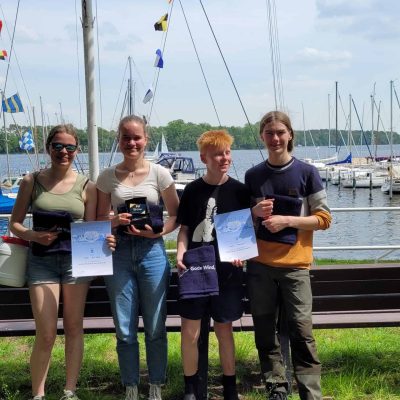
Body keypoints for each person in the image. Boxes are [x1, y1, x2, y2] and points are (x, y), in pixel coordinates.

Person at [244, 111, 332, 400]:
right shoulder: (253, 175)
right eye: (269, 133)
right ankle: (276, 389)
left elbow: (324, 219)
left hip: (296, 267)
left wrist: (288, 221)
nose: (275, 138)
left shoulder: (307, 172)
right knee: (265, 333)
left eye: (280, 132)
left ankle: (310, 393)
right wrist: (253, 213)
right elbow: (244, 224)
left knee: (302, 333)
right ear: (262, 136)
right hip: (259, 267)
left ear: (290, 135)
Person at [9, 124, 99, 400]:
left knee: (73, 327)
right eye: (58, 146)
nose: (64, 152)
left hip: (76, 264)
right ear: (48, 148)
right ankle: (39, 394)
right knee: (46, 333)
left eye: (70, 147)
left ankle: (69, 391)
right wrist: (34, 235)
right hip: (41, 263)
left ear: (77, 150)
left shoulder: (88, 186)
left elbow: (92, 229)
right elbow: (15, 224)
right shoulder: (31, 181)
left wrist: (104, 242)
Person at [96, 115, 179, 400]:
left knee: (155, 325)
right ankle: (130, 385)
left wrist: (158, 234)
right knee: (124, 328)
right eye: (126, 137)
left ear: (146, 139)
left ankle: (156, 383)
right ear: (118, 140)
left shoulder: (160, 174)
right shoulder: (106, 177)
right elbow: (97, 219)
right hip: (118, 253)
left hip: (152, 253)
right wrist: (114, 221)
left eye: (137, 138)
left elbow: (175, 215)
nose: (131, 143)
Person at [176, 130, 250, 400]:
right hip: (195, 269)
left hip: (227, 272)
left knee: (224, 330)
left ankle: (230, 388)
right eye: (218, 154)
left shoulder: (240, 191)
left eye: (227, 153)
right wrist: (180, 253)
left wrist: (242, 254)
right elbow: (184, 229)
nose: (224, 158)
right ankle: (190, 390)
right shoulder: (192, 190)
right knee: (190, 332)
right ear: (203, 158)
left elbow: (244, 232)